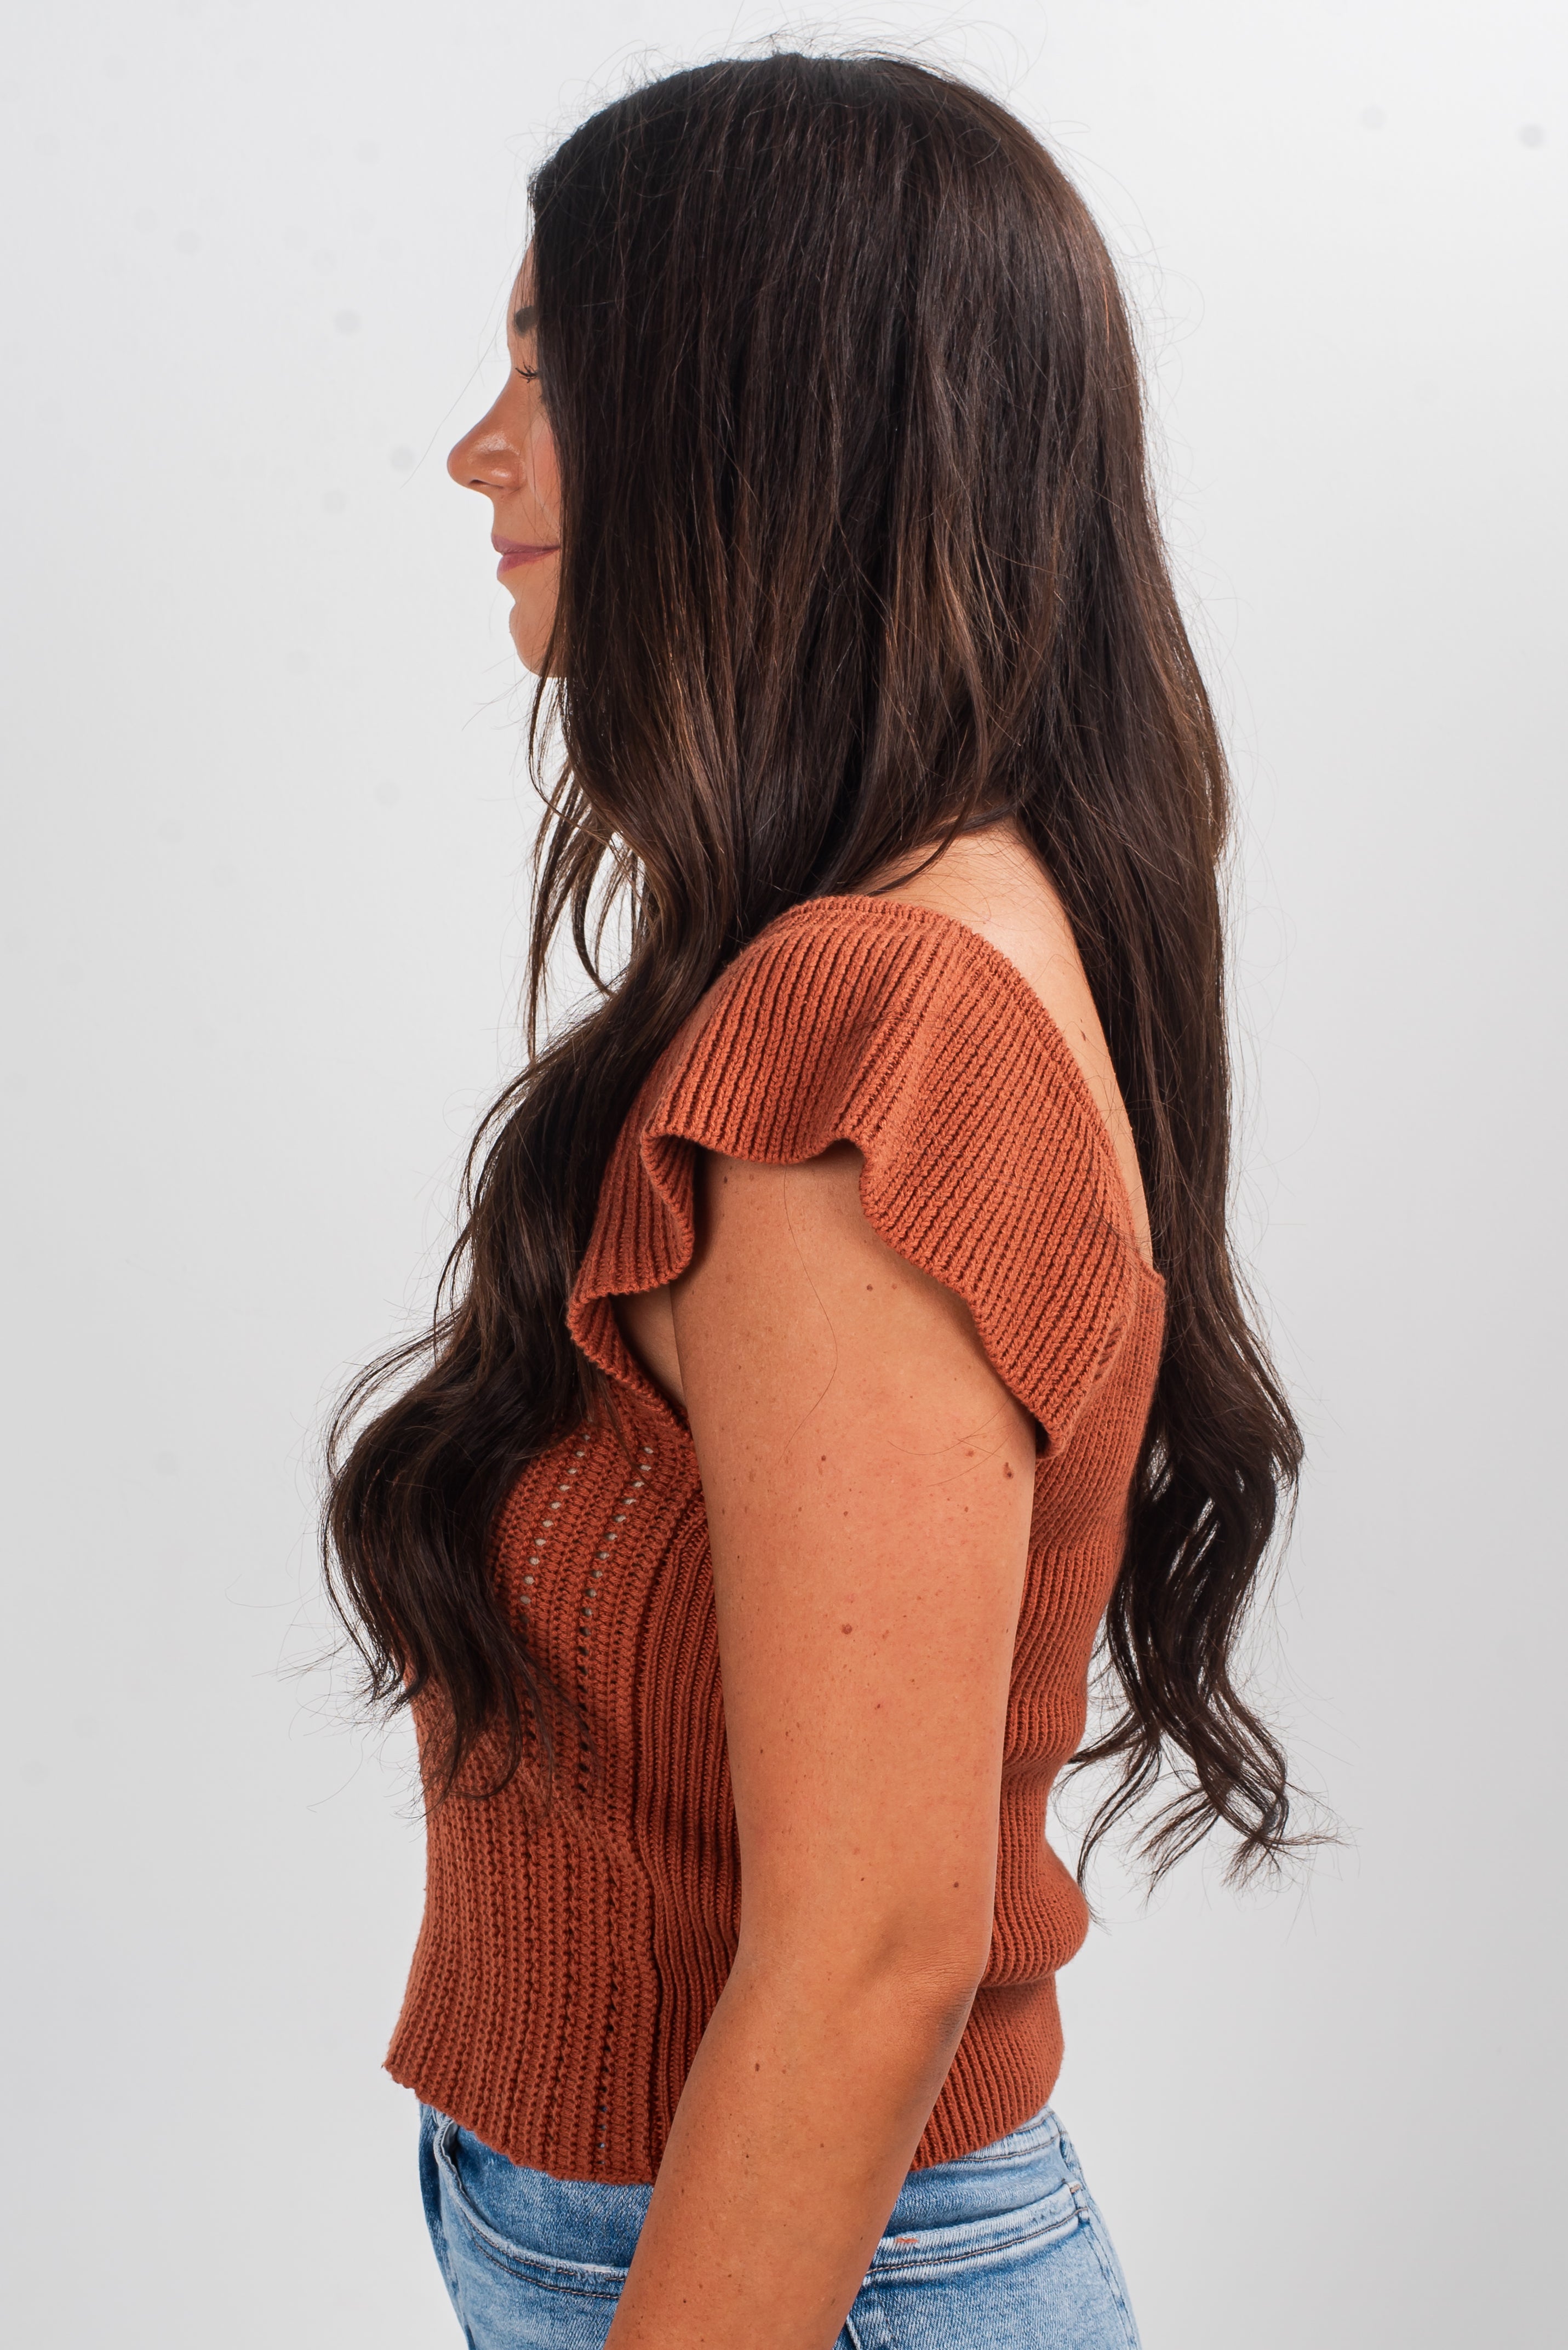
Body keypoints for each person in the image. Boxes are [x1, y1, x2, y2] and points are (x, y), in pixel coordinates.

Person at [325, 51, 1303, 2350]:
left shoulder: (869, 1034)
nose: (482, 453)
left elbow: (867, 1957)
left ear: (760, 425)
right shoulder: (918, 940)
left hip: (794, 2268)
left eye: (551, 382)